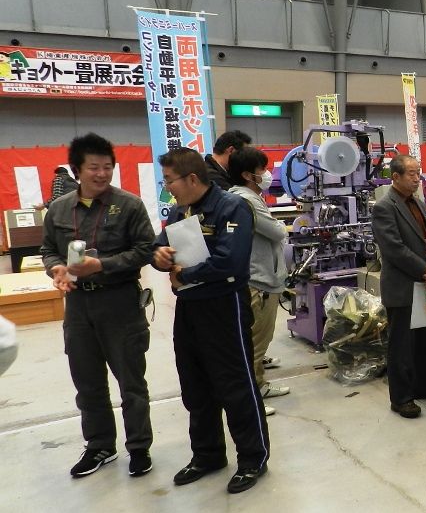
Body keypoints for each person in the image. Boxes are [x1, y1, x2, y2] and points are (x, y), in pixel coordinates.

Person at [152, 147, 269, 494]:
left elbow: (230, 261)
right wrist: (159, 256)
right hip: (189, 308)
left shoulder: (232, 207)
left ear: (191, 178)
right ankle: (207, 454)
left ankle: (253, 458)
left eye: (170, 180)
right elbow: (158, 247)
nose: (167, 187)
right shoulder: (179, 211)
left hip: (224, 306)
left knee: (235, 384)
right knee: (195, 384)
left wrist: (185, 275)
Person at [40, 133, 156, 478]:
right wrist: (56, 269)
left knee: (131, 381)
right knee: (87, 381)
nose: (102, 174)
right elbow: (48, 249)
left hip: (119, 301)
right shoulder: (59, 209)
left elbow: (145, 250)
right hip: (78, 305)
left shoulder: (129, 205)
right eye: (94, 167)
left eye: (107, 167)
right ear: (77, 170)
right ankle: (100, 445)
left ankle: (139, 447)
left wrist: (101, 265)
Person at [371, 154, 426, 419]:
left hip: (425, 284)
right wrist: (424, 269)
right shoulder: (385, 207)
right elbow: (394, 249)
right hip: (403, 286)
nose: (417, 178)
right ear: (396, 177)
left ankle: (425, 385)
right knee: (401, 345)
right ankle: (402, 398)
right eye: (412, 174)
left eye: (418, 173)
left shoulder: (418, 203)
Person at [227, 146, 290, 415]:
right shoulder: (246, 201)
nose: (267, 174)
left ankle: (259, 386)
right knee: (254, 343)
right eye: (262, 169)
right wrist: (282, 227)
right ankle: (250, 401)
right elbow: (276, 231)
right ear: (247, 174)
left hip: (260, 276)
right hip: (259, 281)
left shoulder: (246, 197)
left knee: (258, 341)